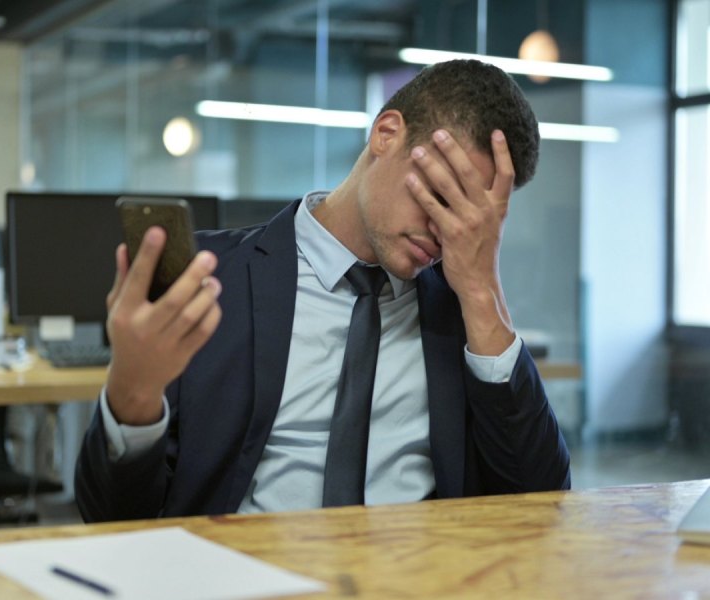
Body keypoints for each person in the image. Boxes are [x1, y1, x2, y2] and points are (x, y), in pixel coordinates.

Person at [75, 59, 571, 522]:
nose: (445, 230)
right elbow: (111, 517)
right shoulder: (209, 280)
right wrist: (132, 394)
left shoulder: (463, 314)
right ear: (386, 134)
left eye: (468, 218)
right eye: (441, 197)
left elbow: (542, 505)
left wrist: (482, 295)